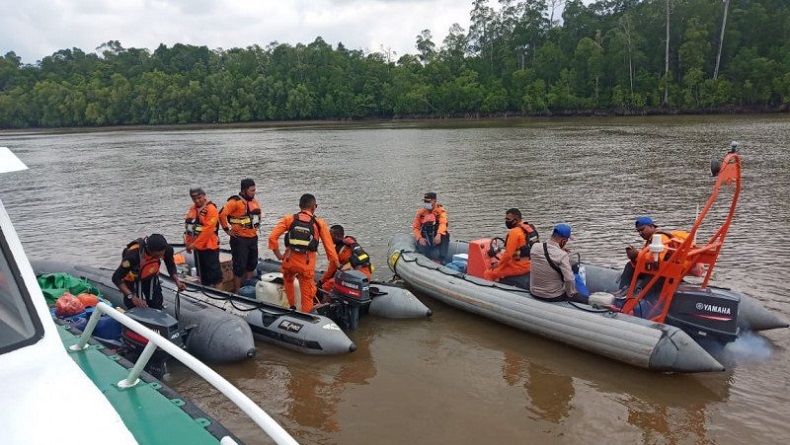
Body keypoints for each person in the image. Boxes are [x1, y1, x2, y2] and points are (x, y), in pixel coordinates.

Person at [268, 194, 340, 313]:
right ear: (313, 207)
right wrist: (338, 266)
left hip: (289, 262)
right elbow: (330, 249)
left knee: (288, 281)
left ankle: (291, 306)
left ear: (300, 206)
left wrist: (279, 256)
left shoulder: (289, 219)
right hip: (306, 266)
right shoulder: (319, 223)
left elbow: (272, 237)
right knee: (307, 295)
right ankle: (306, 316)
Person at [112, 233, 185, 310]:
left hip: (151, 277)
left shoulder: (167, 249)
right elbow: (116, 278)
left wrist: (177, 281)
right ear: (149, 250)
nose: (160, 257)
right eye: (157, 256)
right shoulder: (133, 255)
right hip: (133, 280)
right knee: (135, 305)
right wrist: (132, 297)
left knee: (156, 303)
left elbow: (170, 265)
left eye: (161, 255)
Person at [219, 178, 262, 293]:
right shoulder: (234, 202)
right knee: (239, 267)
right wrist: (227, 230)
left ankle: (248, 288)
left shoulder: (254, 202)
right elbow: (222, 214)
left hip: (252, 237)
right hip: (240, 239)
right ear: (244, 191)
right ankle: (237, 291)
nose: (254, 192)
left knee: (251, 264)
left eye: (254, 190)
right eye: (252, 190)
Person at [483, 208, 539, 288]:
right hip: (530, 264)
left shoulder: (514, 232)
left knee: (488, 273)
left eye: (508, 219)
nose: (506, 221)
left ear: (516, 220)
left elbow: (508, 255)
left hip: (519, 266)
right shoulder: (529, 229)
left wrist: (498, 266)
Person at [528, 224, 583, 302]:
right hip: (552, 296)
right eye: (566, 241)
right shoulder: (562, 255)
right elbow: (569, 279)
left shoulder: (535, 247)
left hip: (534, 292)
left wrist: (561, 248)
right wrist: (571, 293)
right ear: (563, 241)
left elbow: (548, 252)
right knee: (583, 298)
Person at [184, 187, 223, 287]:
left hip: (210, 247)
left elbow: (208, 230)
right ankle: (205, 293)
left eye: (199, 197)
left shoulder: (211, 209)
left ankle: (220, 297)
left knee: (216, 277)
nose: (197, 200)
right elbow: (189, 229)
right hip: (197, 249)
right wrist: (188, 244)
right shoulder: (192, 209)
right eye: (194, 198)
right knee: (202, 274)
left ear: (204, 196)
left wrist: (195, 244)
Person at [319, 225, 373, 293]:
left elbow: (330, 271)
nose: (329, 238)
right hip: (367, 276)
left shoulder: (337, 251)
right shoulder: (352, 245)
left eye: (330, 235)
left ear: (336, 236)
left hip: (356, 279)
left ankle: (327, 302)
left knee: (326, 286)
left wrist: (320, 282)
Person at [412, 192, 450, 262]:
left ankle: (440, 259)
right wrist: (419, 238)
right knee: (421, 250)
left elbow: (443, 223)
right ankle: (423, 259)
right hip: (426, 236)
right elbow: (416, 227)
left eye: (428, 201)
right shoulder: (421, 212)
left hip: (438, 235)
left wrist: (439, 234)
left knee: (445, 235)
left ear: (435, 201)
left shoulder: (441, 211)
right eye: (425, 201)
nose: (426, 203)